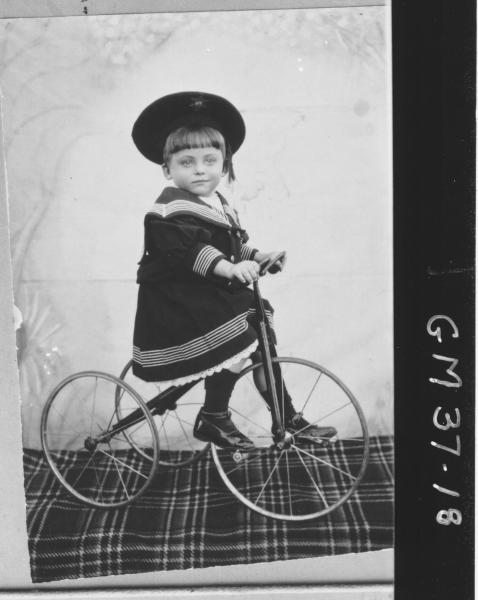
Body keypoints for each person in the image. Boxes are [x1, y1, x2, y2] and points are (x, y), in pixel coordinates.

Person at [131, 91, 336, 450]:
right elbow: (191, 252)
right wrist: (229, 268)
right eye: (186, 162)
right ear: (167, 169)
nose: (199, 169)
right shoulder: (166, 211)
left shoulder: (218, 205)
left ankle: (286, 416)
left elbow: (231, 247)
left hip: (208, 297)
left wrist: (258, 257)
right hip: (178, 305)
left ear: (224, 166)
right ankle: (213, 416)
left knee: (261, 338)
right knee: (239, 331)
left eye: (210, 160)